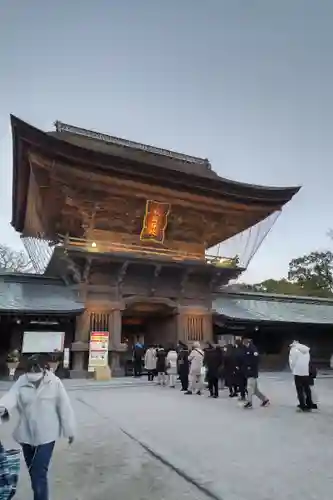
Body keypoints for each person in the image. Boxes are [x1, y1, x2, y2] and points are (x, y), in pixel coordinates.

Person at [0, 354, 75, 500]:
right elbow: (12, 396)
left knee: (39, 473)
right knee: (33, 473)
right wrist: (2, 407)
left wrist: (69, 430)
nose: (32, 374)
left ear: (44, 370)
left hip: (47, 435)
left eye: (36, 370)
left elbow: (64, 407)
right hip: (26, 434)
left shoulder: (55, 383)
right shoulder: (22, 381)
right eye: (30, 371)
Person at [242, 338, 270, 409]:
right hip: (249, 372)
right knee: (255, 390)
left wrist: (250, 367)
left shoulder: (253, 349)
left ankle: (249, 402)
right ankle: (265, 400)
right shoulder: (247, 349)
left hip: (252, 372)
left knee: (249, 388)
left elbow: (256, 359)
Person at [289, 340, 313, 412]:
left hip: (297, 372)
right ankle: (309, 405)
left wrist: (293, 369)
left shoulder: (293, 350)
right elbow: (308, 360)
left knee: (299, 390)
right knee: (307, 389)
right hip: (305, 371)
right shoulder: (306, 349)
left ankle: (302, 405)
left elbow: (292, 362)